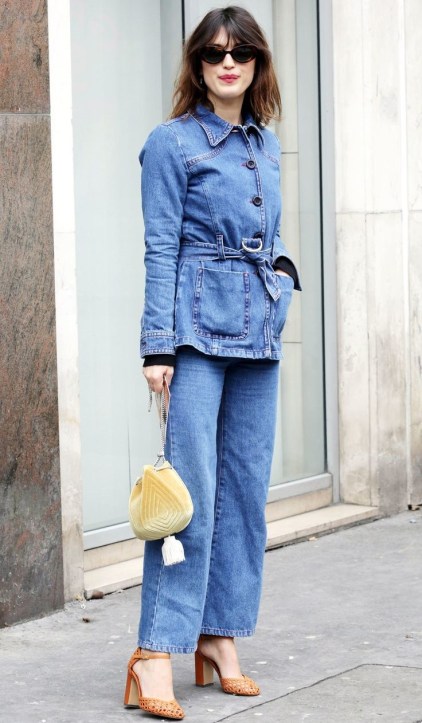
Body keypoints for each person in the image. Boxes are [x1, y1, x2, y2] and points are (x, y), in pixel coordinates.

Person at [124, 6, 301, 720]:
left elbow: (273, 231)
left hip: (258, 336)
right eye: (215, 53)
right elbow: (160, 246)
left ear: (258, 64)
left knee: (244, 495)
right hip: (195, 335)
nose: (229, 63)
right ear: (198, 65)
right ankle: (156, 651)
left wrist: (282, 274)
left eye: (242, 53)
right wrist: (157, 345)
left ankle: (219, 636)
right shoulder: (171, 143)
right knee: (188, 499)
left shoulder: (266, 143)